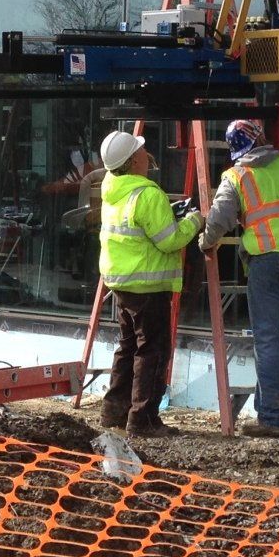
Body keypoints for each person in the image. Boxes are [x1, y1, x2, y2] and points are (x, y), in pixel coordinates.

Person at [197, 119, 279, 437]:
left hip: (267, 260)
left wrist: (204, 243)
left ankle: (272, 417)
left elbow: (219, 220)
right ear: (263, 137)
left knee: (267, 338)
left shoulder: (236, 175)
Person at [97, 129, 202, 439]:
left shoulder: (112, 188)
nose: (146, 154)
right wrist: (195, 221)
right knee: (151, 351)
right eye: (140, 151)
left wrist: (168, 216)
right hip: (148, 286)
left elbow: (139, 229)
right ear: (132, 160)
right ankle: (143, 420)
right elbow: (169, 240)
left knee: (128, 347)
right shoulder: (147, 194)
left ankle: (114, 409)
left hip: (122, 283)